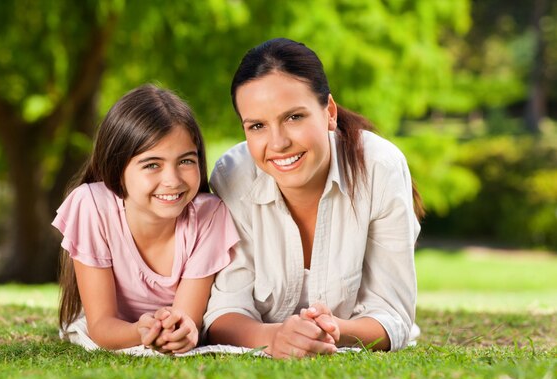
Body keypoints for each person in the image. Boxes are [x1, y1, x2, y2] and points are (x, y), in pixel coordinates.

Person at [204, 38, 424, 358]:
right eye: (257, 126)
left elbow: (393, 315)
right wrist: (275, 336)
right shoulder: (232, 176)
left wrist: (336, 330)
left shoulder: (380, 168)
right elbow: (224, 311)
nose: (278, 143)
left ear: (329, 113)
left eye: (294, 117)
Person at [53, 85, 239, 354]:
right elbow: (101, 325)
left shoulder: (209, 216)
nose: (172, 180)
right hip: (126, 328)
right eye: (152, 164)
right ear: (117, 170)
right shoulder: (92, 206)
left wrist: (182, 332)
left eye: (186, 161)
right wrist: (138, 332)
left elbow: (187, 320)